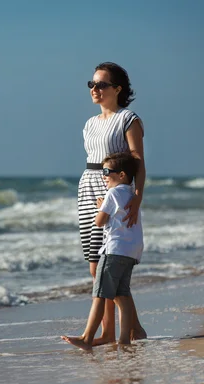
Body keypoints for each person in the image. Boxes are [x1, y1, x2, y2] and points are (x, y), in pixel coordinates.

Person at [74, 62, 146, 345]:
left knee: (106, 263)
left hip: (116, 193)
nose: (95, 89)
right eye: (92, 84)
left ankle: (113, 332)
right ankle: (124, 330)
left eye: (101, 84)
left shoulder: (129, 119)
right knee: (94, 264)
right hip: (89, 188)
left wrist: (137, 198)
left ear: (117, 89)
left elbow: (138, 162)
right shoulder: (90, 124)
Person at [61, 152, 143, 350]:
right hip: (131, 252)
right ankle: (124, 339)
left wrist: (101, 208)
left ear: (122, 175)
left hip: (113, 250)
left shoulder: (113, 193)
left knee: (99, 294)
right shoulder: (132, 196)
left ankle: (87, 338)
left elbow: (99, 221)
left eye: (106, 171)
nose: (103, 175)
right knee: (121, 296)